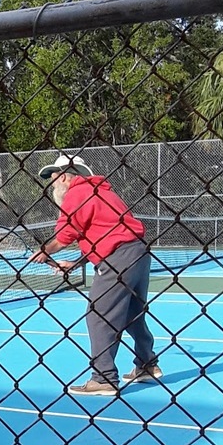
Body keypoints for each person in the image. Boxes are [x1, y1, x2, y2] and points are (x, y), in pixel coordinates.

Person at [30, 154, 160, 396]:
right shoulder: (101, 191)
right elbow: (104, 232)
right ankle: (146, 364)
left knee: (98, 315)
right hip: (138, 253)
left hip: (119, 259)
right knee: (132, 313)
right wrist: (77, 262)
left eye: (53, 177)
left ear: (66, 176)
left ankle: (104, 378)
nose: (52, 183)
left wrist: (44, 250)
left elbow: (67, 233)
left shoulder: (77, 193)